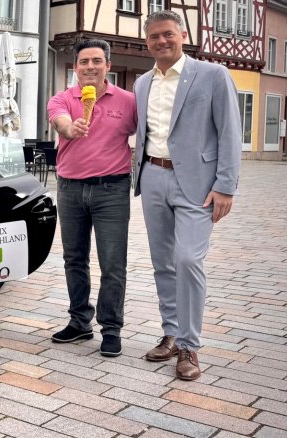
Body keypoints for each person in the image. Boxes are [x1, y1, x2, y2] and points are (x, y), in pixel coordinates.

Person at [133, 10, 240, 381]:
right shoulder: (143, 84)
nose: (161, 42)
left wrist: (226, 185)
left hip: (197, 184)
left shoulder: (212, 75)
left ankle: (190, 346)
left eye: (167, 35)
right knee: (163, 262)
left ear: (182, 35)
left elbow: (229, 132)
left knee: (188, 259)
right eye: (154, 37)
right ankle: (171, 333)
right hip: (152, 176)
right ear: (146, 42)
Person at [46, 39, 137, 357]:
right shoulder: (62, 99)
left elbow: (152, 134)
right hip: (70, 189)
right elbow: (58, 119)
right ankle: (79, 321)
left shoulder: (128, 102)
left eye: (97, 61)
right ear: (75, 67)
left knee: (113, 264)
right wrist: (68, 128)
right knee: (74, 259)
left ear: (107, 65)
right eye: (84, 61)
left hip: (111, 190)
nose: (90, 67)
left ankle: (111, 329)